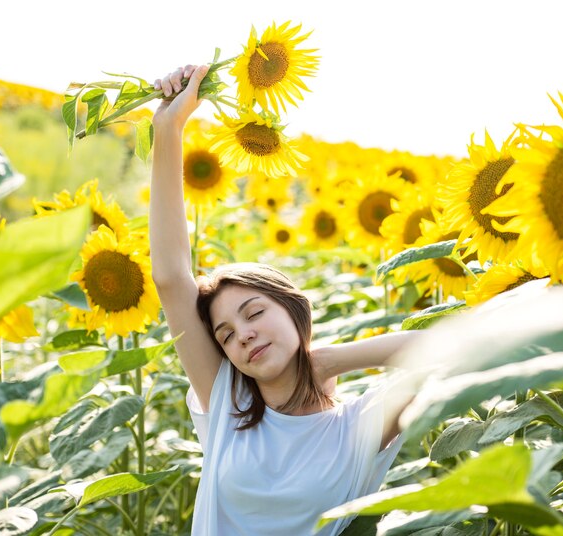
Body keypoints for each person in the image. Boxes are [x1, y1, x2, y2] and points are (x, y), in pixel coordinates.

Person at [149, 64, 418, 536]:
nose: (243, 334)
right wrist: (168, 128)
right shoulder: (226, 405)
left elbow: (448, 353)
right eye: (226, 335)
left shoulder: (355, 429)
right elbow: (171, 278)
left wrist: (324, 361)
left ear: (295, 311)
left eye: (254, 312)